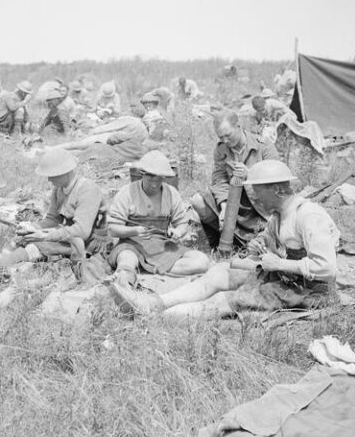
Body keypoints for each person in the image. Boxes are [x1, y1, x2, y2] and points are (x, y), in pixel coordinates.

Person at [107, 160, 339, 319]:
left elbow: (327, 268)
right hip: (283, 276)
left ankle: (155, 315)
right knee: (219, 272)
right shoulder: (278, 215)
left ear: (278, 190)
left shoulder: (309, 216)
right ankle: (155, 303)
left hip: (307, 291)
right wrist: (260, 245)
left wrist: (279, 263)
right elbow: (267, 242)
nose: (255, 199)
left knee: (223, 300)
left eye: (258, 192)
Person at [0, 149, 108, 275]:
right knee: (22, 239)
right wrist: (33, 228)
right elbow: (52, 219)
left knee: (39, 245)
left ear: (65, 173)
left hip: (89, 243)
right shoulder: (58, 190)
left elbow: (82, 231)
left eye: (52, 175)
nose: (49, 179)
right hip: (70, 236)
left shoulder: (87, 190)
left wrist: (45, 235)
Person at [106, 151, 210, 286]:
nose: (154, 185)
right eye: (150, 179)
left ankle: (148, 268)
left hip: (162, 246)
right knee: (126, 260)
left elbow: (182, 223)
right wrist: (135, 231)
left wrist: (178, 232)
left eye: (159, 180)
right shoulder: (127, 192)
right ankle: (126, 278)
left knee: (201, 262)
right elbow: (113, 229)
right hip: (131, 244)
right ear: (143, 174)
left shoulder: (171, 193)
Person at [190, 110, 279, 254]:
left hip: (260, 209)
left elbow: (276, 181)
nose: (225, 141)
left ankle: (252, 240)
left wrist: (250, 175)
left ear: (239, 126)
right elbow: (219, 179)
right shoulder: (221, 149)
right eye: (221, 137)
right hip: (234, 204)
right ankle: (221, 241)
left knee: (269, 236)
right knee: (198, 201)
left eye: (228, 135)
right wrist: (224, 206)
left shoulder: (264, 146)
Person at [57, 111, 149, 162]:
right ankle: (59, 152)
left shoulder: (130, 124)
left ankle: (55, 150)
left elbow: (110, 133)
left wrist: (94, 131)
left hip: (108, 144)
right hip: (113, 150)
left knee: (79, 146)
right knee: (81, 151)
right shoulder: (143, 145)